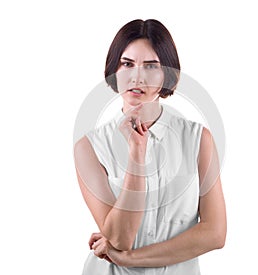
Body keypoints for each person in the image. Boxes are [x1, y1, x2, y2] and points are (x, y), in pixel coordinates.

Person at [74, 19, 227, 275]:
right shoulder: (90, 147)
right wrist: (136, 154)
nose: (137, 76)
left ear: (167, 73)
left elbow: (215, 233)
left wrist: (132, 258)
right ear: (114, 69)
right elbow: (121, 238)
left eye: (151, 66)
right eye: (127, 64)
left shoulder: (198, 139)